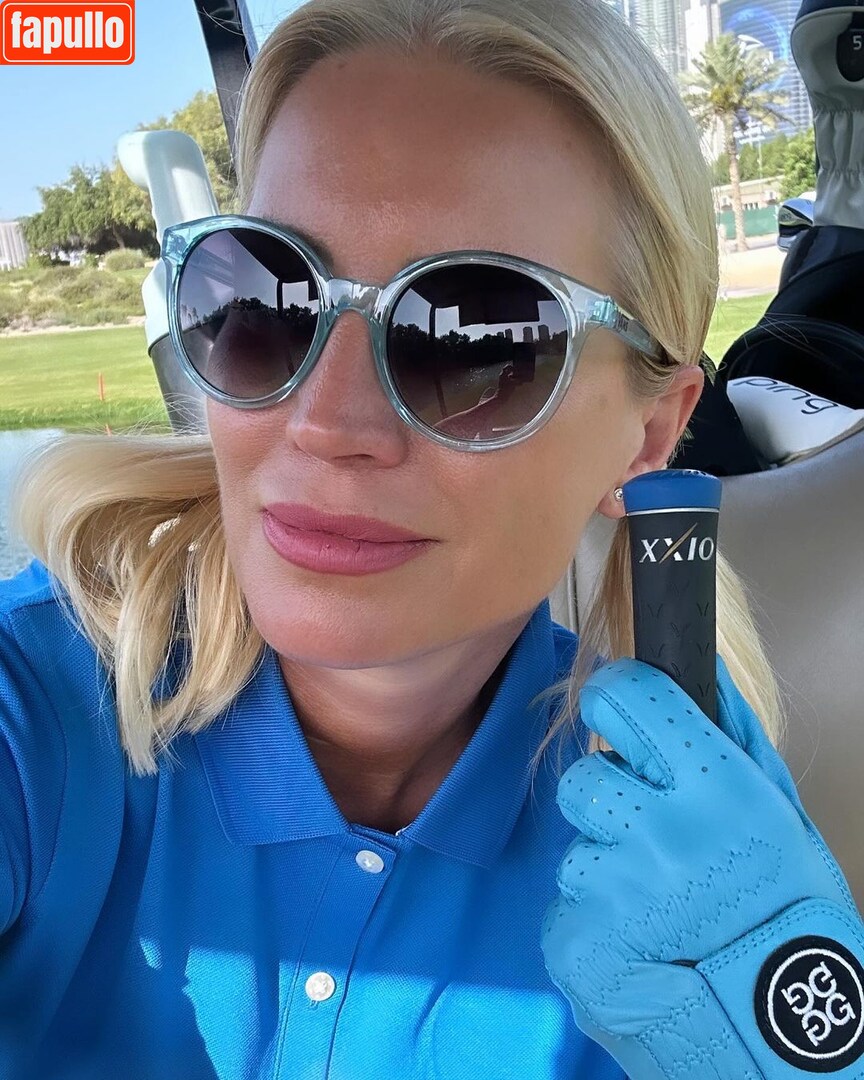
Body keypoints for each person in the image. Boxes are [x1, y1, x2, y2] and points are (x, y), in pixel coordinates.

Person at [2, 0, 862, 1077]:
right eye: (266, 299)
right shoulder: (39, 711)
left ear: (648, 433)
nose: (326, 422)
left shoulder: (688, 820)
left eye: (476, 339)